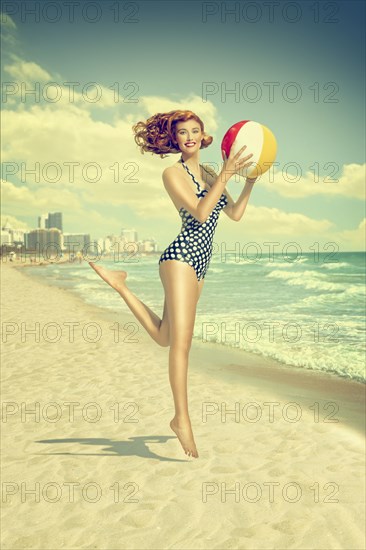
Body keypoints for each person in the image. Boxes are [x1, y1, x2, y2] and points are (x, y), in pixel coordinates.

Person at [88, 109, 257, 458]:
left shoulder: (211, 173)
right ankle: (182, 419)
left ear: (203, 135)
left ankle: (120, 285)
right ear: (174, 139)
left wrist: (251, 180)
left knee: (166, 337)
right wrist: (225, 176)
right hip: (180, 257)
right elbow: (198, 211)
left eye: (196, 130)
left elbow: (235, 214)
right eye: (183, 132)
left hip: (201, 263)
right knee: (182, 346)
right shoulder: (172, 174)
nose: (190, 137)